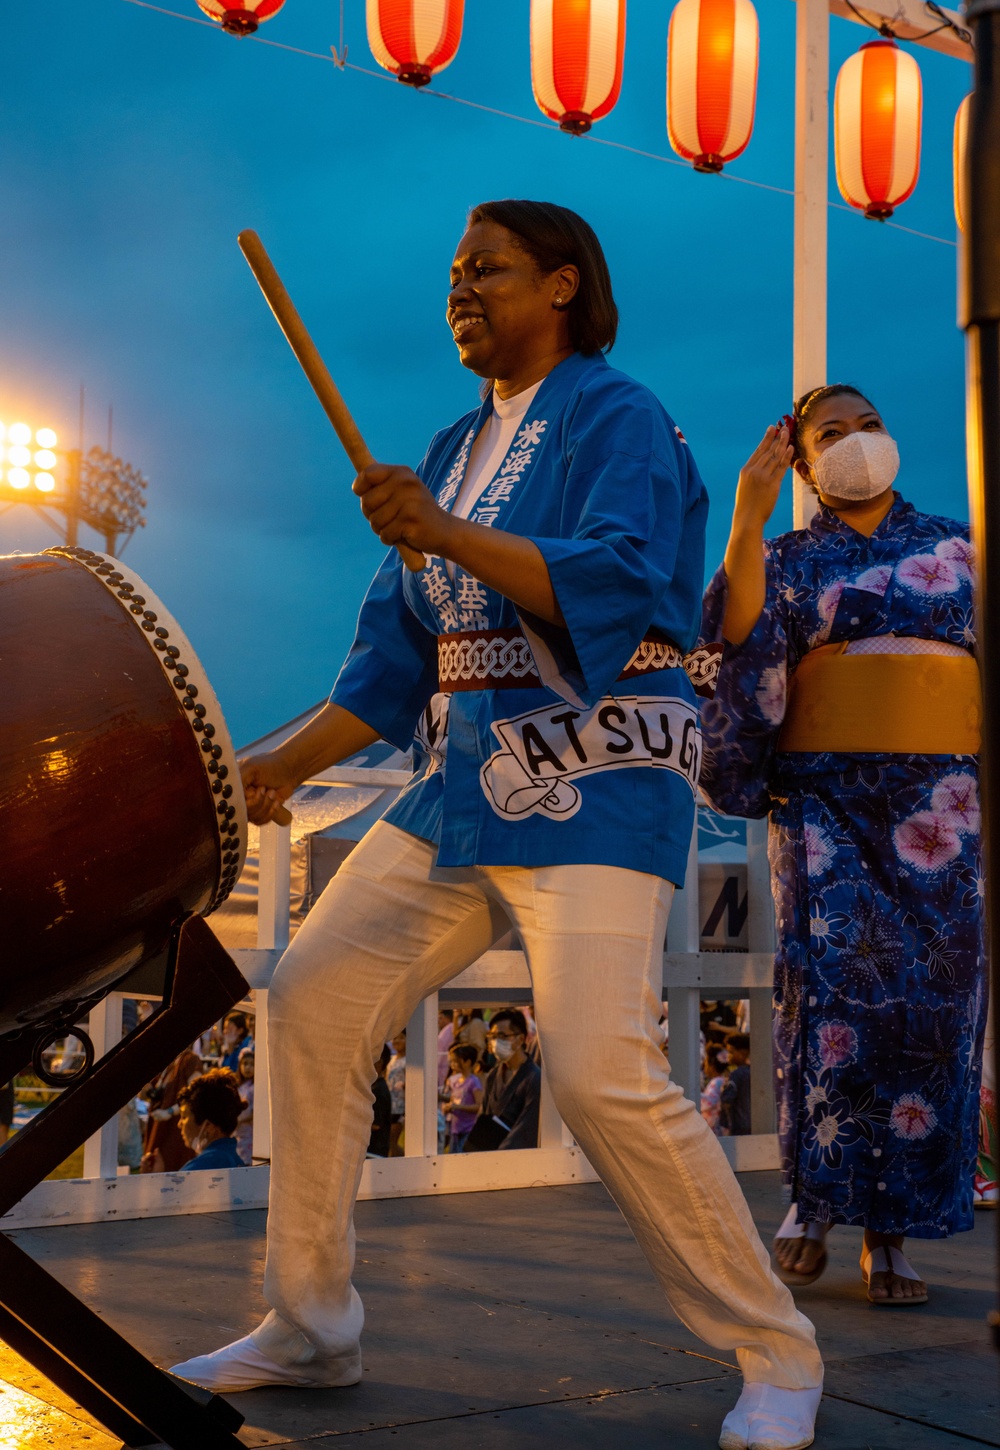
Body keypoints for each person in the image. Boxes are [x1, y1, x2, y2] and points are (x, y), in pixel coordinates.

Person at [171, 199, 822, 1450]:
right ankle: (310, 1322)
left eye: (490, 269)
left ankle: (773, 1347)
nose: (461, 288)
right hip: (458, 781)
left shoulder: (615, 414)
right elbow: (387, 668)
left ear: (565, 285)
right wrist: (261, 768)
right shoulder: (454, 446)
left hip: (595, 776)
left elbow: (627, 579)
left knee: (598, 1069)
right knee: (310, 998)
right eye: (454, 273)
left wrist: (442, 528)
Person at [700, 383, 987, 1308]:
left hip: (944, 808)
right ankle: (814, 1205)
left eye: (869, 425)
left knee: (934, 1013)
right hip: (827, 806)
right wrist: (748, 513)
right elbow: (734, 646)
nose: (858, 442)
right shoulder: (786, 557)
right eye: (833, 433)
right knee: (831, 995)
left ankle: (894, 1232)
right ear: (803, 457)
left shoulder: (960, 545)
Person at [465, 1010, 540, 1151]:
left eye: (502, 1036)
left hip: (516, 1156)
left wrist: (501, 1155)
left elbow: (526, 1128)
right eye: (492, 1036)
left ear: (520, 1039)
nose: (495, 1042)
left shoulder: (534, 1078)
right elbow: (484, 1115)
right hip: (488, 1153)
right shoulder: (494, 1075)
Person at [140, 1044, 202, 1173]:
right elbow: (146, 1093)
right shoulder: (168, 1064)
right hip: (159, 1130)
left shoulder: (191, 1060)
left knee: (173, 1177)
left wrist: (170, 1112)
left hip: (176, 1132)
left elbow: (195, 1094)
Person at [176, 1069, 246, 1171]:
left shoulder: (198, 1169)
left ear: (208, 1126)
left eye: (184, 1117)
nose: (179, 1124)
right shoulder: (237, 1162)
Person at [442, 1042, 483, 1152]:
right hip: (455, 1128)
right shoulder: (456, 1082)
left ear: (467, 1062)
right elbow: (453, 1099)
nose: (453, 1064)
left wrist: (458, 1107)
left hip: (468, 1128)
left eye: (456, 1061)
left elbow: (478, 1106)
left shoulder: (473, 1082)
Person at [720, 1033, 752, 1138]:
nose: (728, 1056)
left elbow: (727, 1099)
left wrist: (725, 1121)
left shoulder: (736, 1075)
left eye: (731, 1052)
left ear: (743, 1052)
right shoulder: (754, 1072)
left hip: (739, 1127)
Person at [368, 1046, 393, 1159]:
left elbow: (376, 1124)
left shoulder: (379, 1090)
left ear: (379, 1062)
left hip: (375, 1151)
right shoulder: (375, 1088)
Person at [385, 1031, 406, 1157]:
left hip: (400, 1106)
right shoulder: (391, 1059)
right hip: (390, 1104)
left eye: (401, 1038)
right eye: (394, 1038)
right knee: (390, 1141)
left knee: (392, 1140)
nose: (397, 1041)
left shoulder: (408, 1060)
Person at [701, 1044, 729, 1134]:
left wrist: (694, 1094)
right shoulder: (722, 1080)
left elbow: (709, 1102)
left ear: (711, 1065)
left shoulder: (716, 1082)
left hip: (713, 1125)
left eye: (705, 1063)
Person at [236, 1048, 255, 1166]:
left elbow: (255, 1112)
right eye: (245, 1064)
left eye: (252, 1064)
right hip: (238, 1130)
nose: (248, 1067)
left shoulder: (254, 1087)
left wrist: (241, 1120)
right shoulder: (238, 1086)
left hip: (249, 1129)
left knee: (247, 1160)